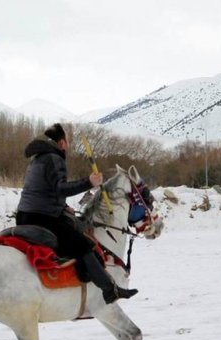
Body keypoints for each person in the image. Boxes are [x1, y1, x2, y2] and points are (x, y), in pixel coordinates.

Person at [16, 123, 138, 304]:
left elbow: (45, 191)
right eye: (68, 140)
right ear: (62, 142)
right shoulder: (54, 158)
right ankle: (109, 290)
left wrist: (63, 207)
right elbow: (60, 188)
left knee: (75, 228)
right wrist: (89, 182)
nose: (69, 144)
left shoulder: (39, 158)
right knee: (83, 243)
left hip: (28, 214)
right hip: (42, 218)